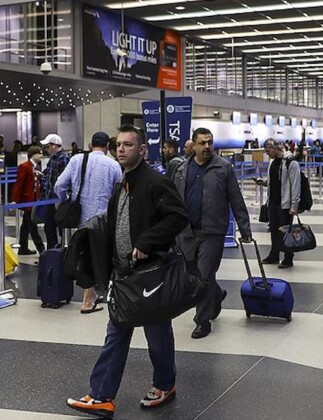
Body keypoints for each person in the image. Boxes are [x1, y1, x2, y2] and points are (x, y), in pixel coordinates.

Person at [66, 125, 188, 418]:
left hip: (149, 275)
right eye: (118, 145)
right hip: (124, 275)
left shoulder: (154, 182)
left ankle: (164, 384)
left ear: (143, 149)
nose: (121, 149)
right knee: (117, 333)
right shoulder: (124, 182)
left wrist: (147, 241)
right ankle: (101, 396)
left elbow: (178, 216)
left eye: (128, 145)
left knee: (157, 333)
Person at [172, 127, 252, 339]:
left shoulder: (223, 167)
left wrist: (245, 228)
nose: (207, 146)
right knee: (192, 275)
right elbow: (173, 201)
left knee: (205, 275)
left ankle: (202, 321)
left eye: (210, 142)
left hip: (212, 231)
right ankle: (217, 295)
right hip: (186, 231)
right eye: (202, 143)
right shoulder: (182, 168)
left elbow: (236, 198)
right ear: (193, 145)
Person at [55, 131, 122, 313]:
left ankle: (92, 295)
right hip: (102, 220)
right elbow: (119, 193)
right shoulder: (114, 165)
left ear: (91, 145)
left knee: (86, 255)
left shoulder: (77, 160)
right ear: (108, 147)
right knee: (99, 257)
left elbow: (60, 185)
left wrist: (62, 200)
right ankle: (88, 301)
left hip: (81, 218)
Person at [254, 141, 301, 268]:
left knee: (286, 231)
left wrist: (294, 206)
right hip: (273, 202)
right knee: (274, 230)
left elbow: (296, 185)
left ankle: (288, 257)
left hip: (285, 204)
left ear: (276, 148)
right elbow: (273, 181)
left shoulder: (291, 162)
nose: (266, 153)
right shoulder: (272, 162)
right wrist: (263, 182)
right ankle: (274, 254)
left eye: (268, 150)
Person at [12, 145, 45, 256]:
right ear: (33, 154)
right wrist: (15, 200)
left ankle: (23, 247)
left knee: (26, 225)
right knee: (32, 225)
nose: (41, 155)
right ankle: (42, 250)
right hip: (28, 200)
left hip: (34, 200)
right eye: (39, 153)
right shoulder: (24, 166)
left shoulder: (37, 167)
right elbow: (19, 184)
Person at [40, 133, 70, 248]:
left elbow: (65, 181)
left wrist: (61, 198)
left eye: (47, 146)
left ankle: (62, 251)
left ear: (54, 145)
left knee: (61, 228)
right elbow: (47, 173)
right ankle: (52, 251)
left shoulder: (63, 158)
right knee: (49, 227)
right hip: (50, 198)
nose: (46, 149)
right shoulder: (53, 158)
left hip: (59, 200)